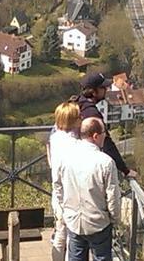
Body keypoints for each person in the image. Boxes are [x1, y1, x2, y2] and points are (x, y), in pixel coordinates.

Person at [53, 117, 121, 261]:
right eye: (104, 133)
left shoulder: (65, 158)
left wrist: (63, 211)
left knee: (75, 257)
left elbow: (57, 186)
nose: (106, 136)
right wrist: (114, 219)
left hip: (73, 220)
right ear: (96, 136)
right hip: (99, 222)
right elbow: (113, 197)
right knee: (101, 257)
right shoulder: (106, 162)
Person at [76, 72, 135, 178]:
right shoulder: (92, 114)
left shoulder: (77, 104)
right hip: (84, 166)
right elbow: (106, 143)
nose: (106, 90)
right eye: (103, 88)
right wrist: (125, 170)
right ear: (94, 92)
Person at [46, 100, 81, 261]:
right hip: (71, 195)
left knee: (60, 233)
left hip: (58, 194)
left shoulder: (54, 138)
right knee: (71, 238)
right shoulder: (74, 144)